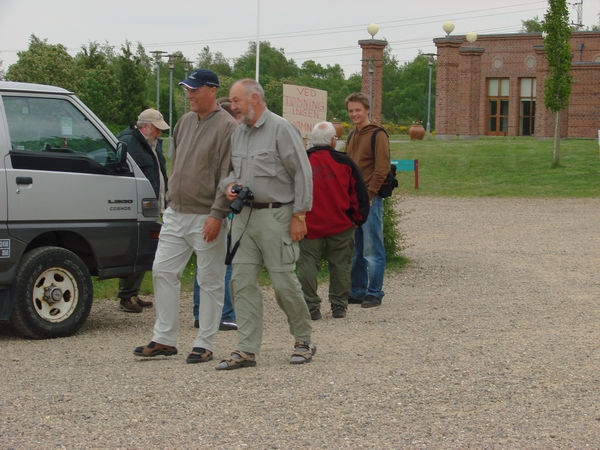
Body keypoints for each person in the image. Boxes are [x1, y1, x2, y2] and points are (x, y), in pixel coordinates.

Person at [133, 69, 238, 363]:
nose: (189, 95)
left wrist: (218, 214)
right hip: (176, 213)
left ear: (212, 90)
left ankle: (204, 343)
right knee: (163, 271)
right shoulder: (183, 122)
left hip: (207, 214)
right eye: (187, 90)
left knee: (210, 279)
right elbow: (174, 166)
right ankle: (164, 338)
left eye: (195, 89)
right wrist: (168, 202)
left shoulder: (228, 127)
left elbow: (227, 174)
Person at [216, 78, 315, 370]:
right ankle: (246, 349)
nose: (232, 107)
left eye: (236, 101)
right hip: (244, 218)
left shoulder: (281, 129)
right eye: (231, 102)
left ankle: (303, 340)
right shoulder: (238, 134)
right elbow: (229, 172)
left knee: (284, 283)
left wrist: (299, 215)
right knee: (241, 282)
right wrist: (229, 186)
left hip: (277, 217)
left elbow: (303, 174)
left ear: (254, 99)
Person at [297, 122, 369, 320]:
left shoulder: (303, 161)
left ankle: (311, 306)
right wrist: (358, 218)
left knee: (307, 264)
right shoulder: (345, 162)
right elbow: (359, 192)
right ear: (332, 140)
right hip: (341, 223)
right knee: (340, 264)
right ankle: (338, 305)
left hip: (309, 223)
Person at [192, 97, 239, 331]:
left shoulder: (203, 139)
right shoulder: (231, 139)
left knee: (204, 262)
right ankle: (225, 314)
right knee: (225, 264)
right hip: (221, 210)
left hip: (202, 208)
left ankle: (200, 312)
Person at [116, 109, 169, 313]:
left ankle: (132, 292)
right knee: (136, 248)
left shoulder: (153, 144)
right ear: (145, 126)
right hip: (136, 204)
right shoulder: (128, 141)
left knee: (146, 248)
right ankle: (126, 295)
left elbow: (159, 172)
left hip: (152, 203)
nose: (160, 133)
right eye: (157, 129)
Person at [345, 92, 391, 308]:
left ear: (366, 110)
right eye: (351, 110)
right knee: (357, 249)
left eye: (358, 110)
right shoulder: (352, 135)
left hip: (370, 199)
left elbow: (382, 168)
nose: (354, 114)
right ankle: (357, 290)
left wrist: (371, 195)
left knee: (373, 248)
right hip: (353, 199)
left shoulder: (377, 134)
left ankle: (375, 292)